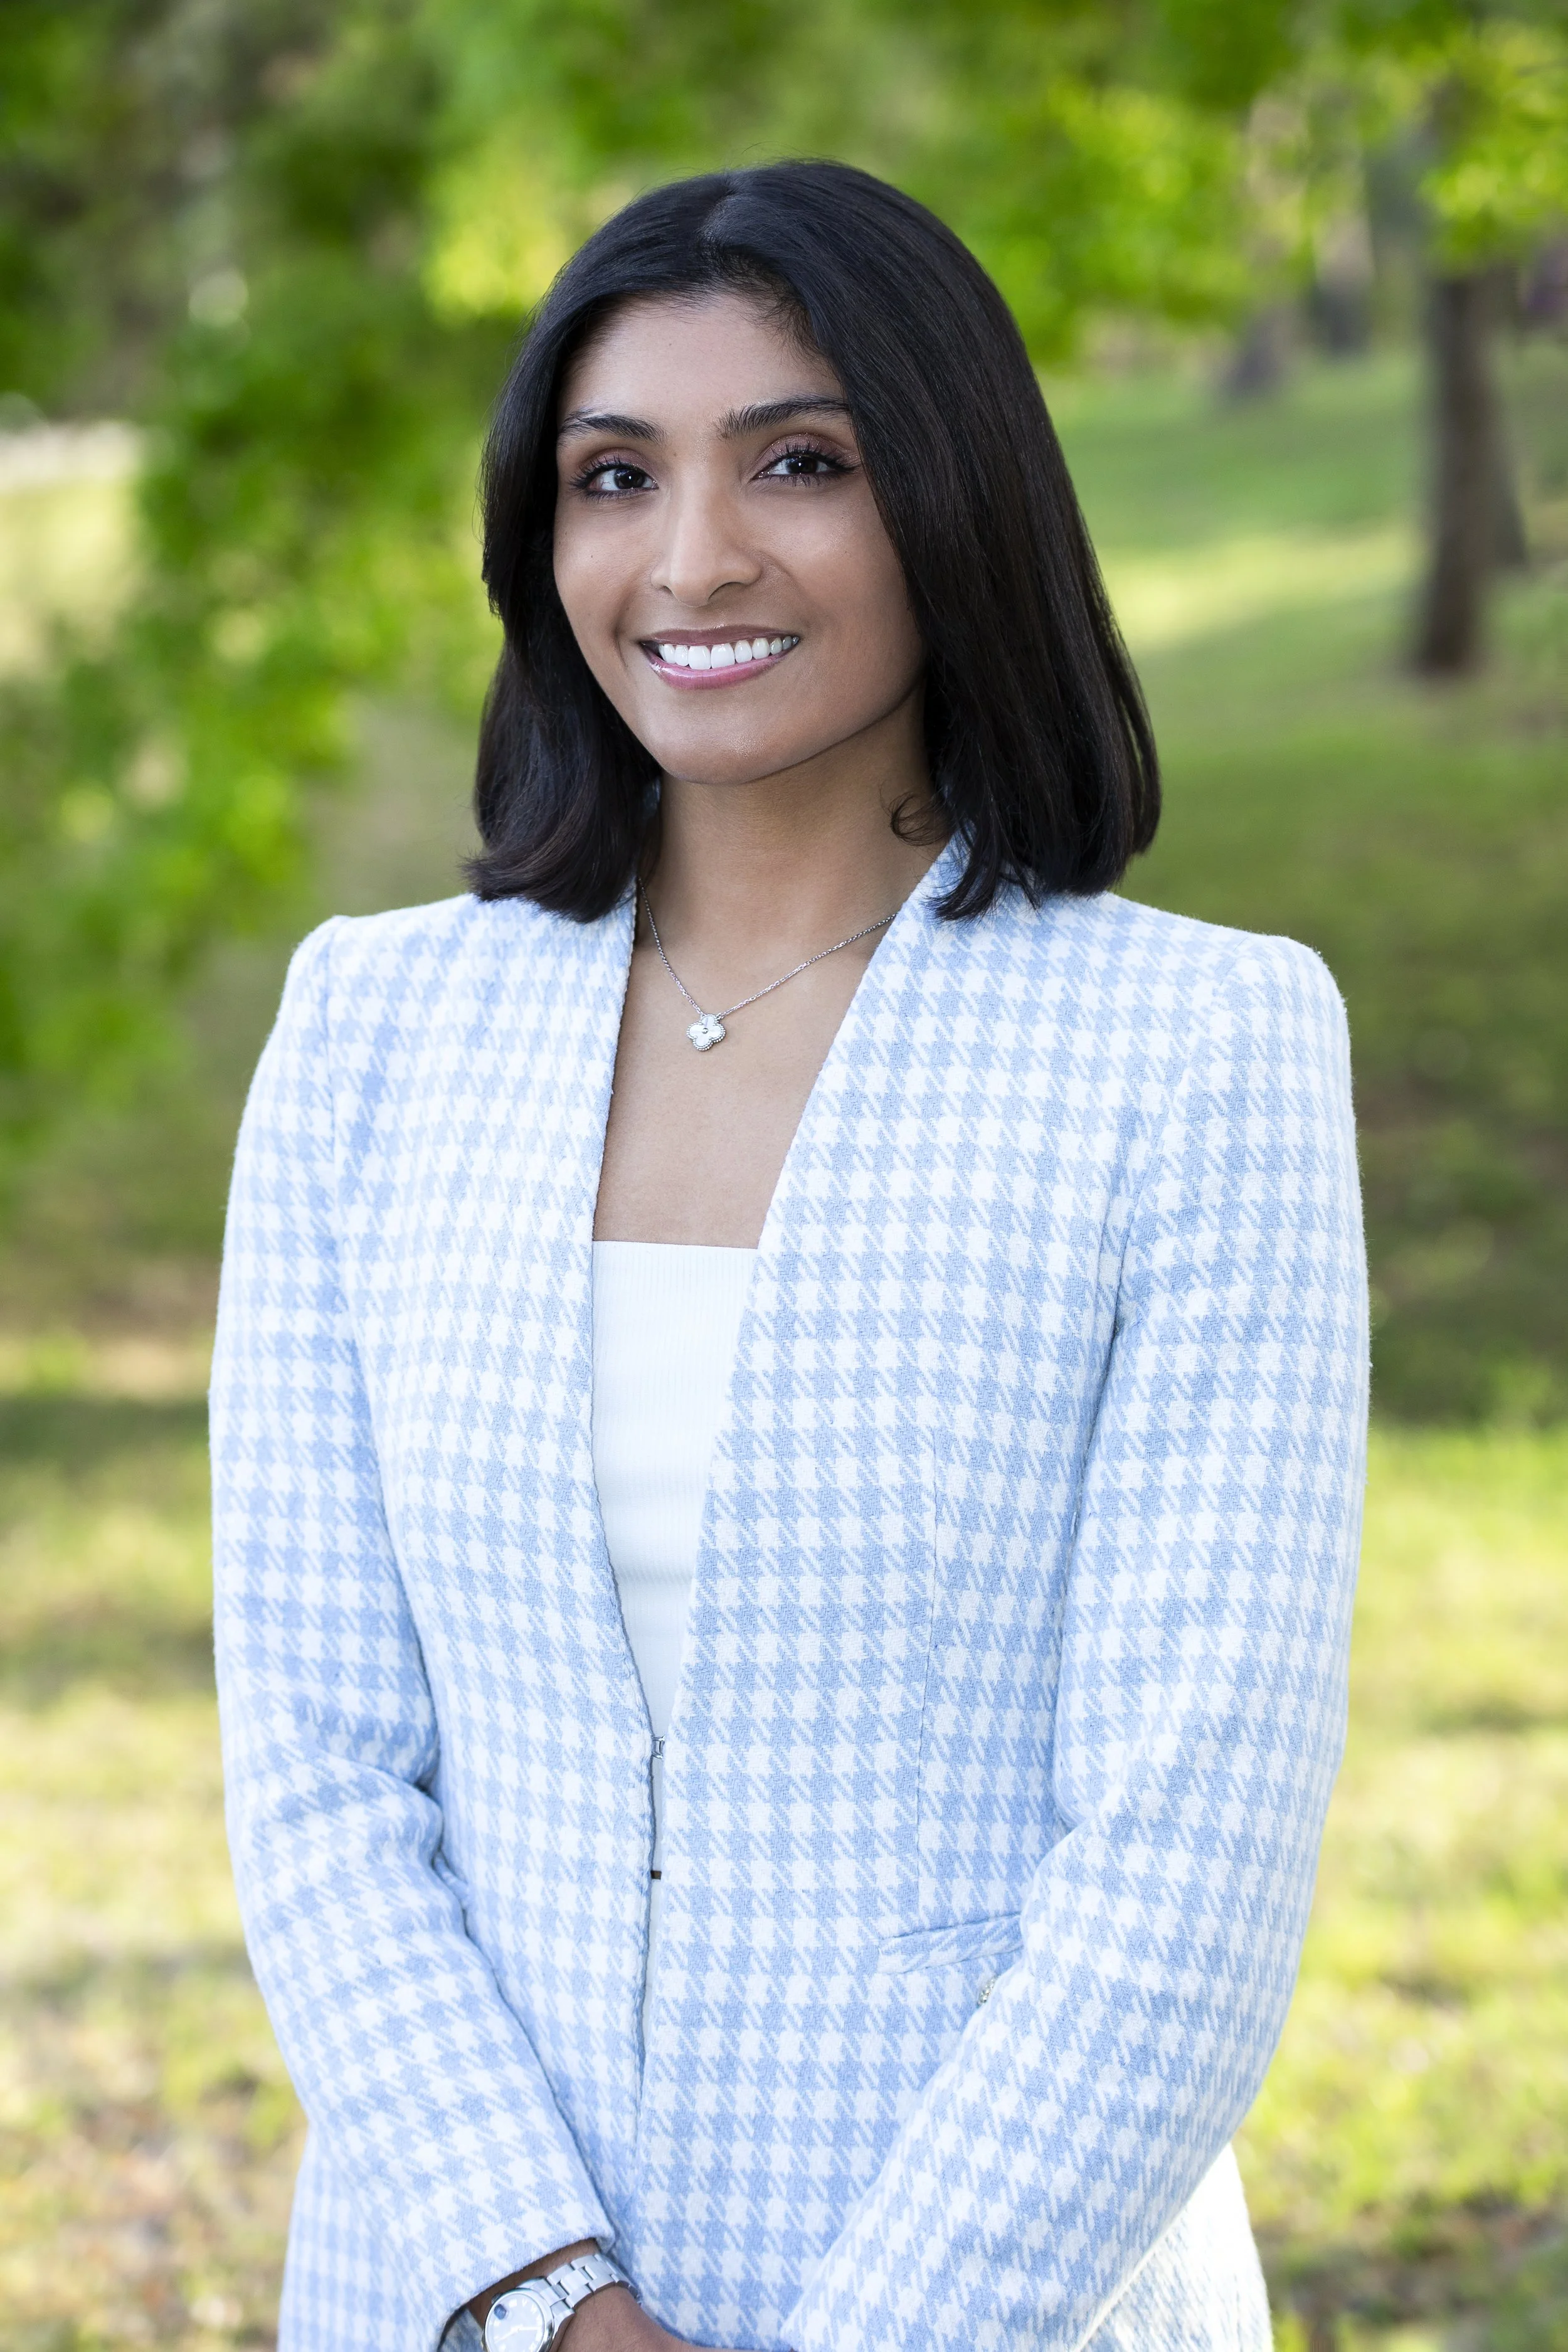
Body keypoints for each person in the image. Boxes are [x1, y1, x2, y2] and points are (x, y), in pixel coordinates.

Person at [211, 161, 1369, 2352]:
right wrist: (550, 2299)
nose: (692, 559)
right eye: (612, 476)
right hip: (449, 2285)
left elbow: (1188, 1844)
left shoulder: (1191, 1049)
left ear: (955, 500)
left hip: (997, 2297)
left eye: (800, 464)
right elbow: (320, 1776)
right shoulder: (372, 1031)